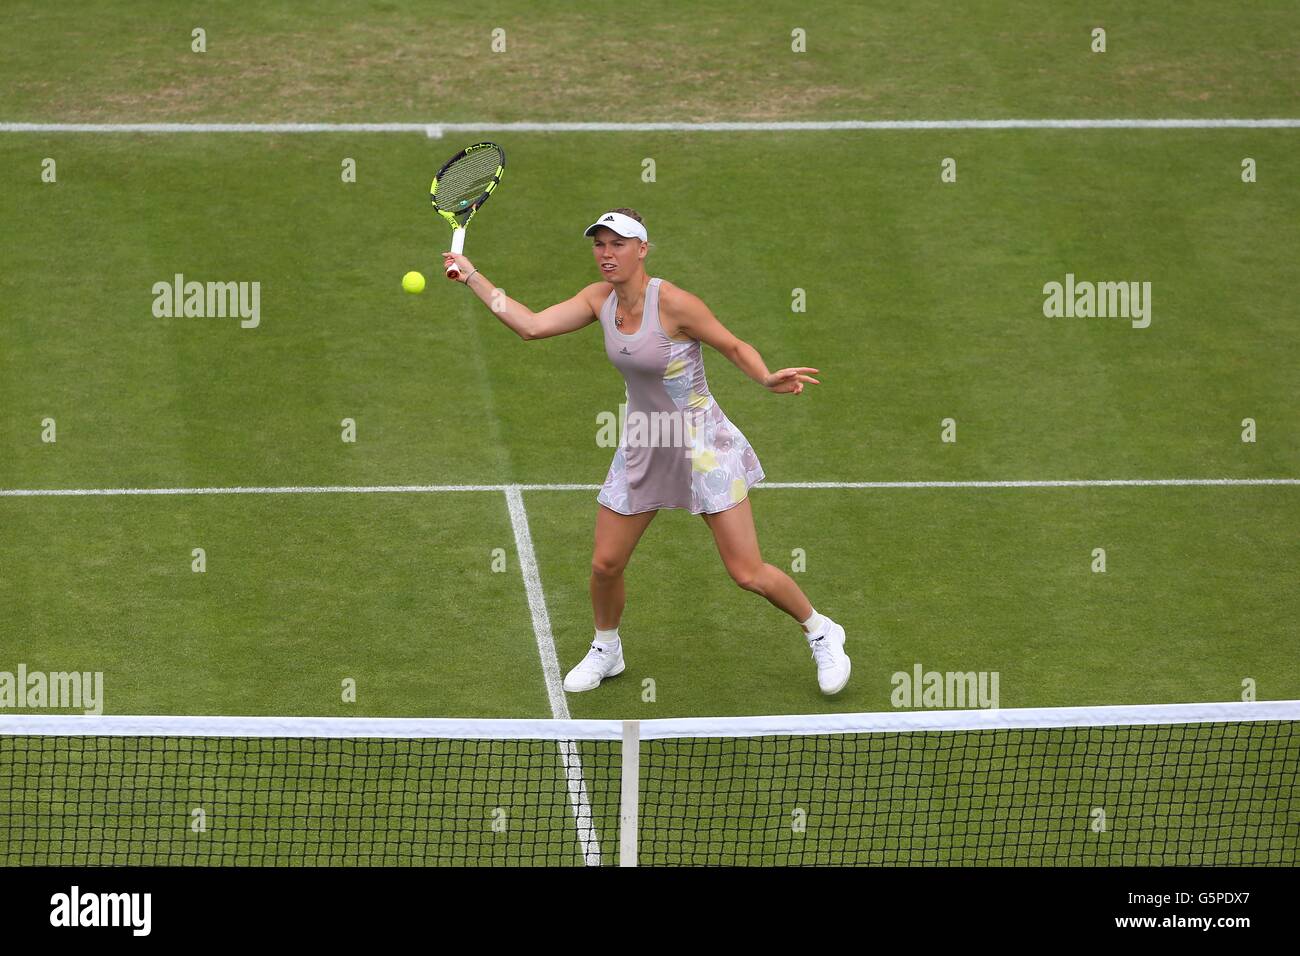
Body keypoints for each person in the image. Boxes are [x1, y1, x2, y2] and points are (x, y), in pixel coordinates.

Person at [441, 208, 850, 695]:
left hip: (702, 447)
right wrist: (472, 277)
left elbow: (734, 346)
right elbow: (530, 325)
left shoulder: (676, 303)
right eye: (599, 244)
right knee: (605, 564)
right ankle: (606, 648)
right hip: (645, 440)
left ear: (642, 249)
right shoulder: (598, 300)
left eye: (618, 244)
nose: (606, 254)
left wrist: (765, 377)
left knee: (747, 572)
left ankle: (821, 630)